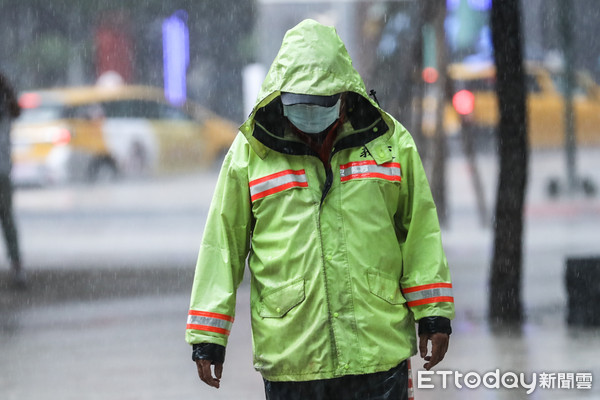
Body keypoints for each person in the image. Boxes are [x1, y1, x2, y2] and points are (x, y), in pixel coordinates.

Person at [186, 19, 454, 399]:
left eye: (321, 102)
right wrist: (208, 335)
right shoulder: (251, 154)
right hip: (293, 357)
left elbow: (420, 232)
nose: (310, 114)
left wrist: (434, 313)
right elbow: (222, 242)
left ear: (343, 94)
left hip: (377, 353)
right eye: (300, 103)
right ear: (280, 97)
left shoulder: (389, 143)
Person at [0, 72, 25, 288]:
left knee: (8, 221)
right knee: (7, 221)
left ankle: (17, 266)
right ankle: (17, 267)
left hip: (2, 170)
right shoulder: (8, 108)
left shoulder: (7, 108)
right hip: (3, 171)